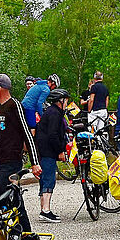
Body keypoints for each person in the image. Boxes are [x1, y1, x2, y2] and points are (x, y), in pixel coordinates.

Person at [0, 73, 35, 234]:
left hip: (12, 163)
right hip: (2, 161)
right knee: (15, 204)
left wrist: (35, 163)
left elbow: (27, 133)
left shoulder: (14, 105)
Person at [35, 89, 72, 223]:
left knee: (44, 179)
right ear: (60, 101)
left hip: (43, 150)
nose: (67, 102)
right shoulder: (55, 114)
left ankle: (43, 210)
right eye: (66, 100)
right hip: (48, 151)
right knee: (49, 179)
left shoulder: (51, 112)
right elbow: (53, 135)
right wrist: (60, 151)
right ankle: (46, 211)